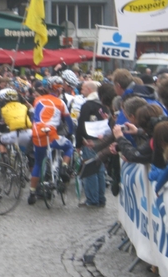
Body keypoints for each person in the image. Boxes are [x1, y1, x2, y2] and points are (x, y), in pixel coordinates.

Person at [28, 76, 74, 205]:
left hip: (37, 134)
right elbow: (69, 123)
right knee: (68, 146)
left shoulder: (37, 100)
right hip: (51, 135)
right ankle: (64, 168)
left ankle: (32, 193)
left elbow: (33, 116)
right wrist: (70, 133)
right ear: (60, 90)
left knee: (38, 163)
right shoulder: (61, 103)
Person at [75, 81, 108, 208]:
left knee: (90, 170)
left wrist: (78, 144)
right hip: (103, 140)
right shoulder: (103, 105)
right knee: (100, 170)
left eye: (83, 89)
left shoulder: (87, 105)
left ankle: (92, 199)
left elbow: (81, 126)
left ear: (89, 89)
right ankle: (101, 198)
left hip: (89, 142)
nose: (81, 91)